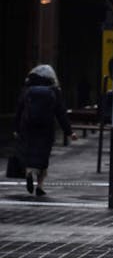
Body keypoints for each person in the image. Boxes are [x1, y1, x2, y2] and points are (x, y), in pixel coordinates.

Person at [13, 64, 77, 196]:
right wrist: (69, 132)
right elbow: (61, 113)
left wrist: (16, 128)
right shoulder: (54, 90)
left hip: (27, 127)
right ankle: (40, 186)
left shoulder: (27, 89)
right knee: (43, 156)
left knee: (28, 153)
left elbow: (19, 110)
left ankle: (29, 172)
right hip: (46, 128)